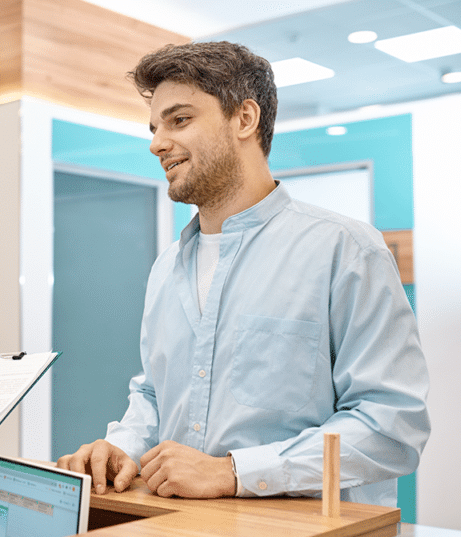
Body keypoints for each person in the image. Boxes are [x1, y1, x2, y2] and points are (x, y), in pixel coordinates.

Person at [57, 42, 430, 507]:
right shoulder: (167, 268)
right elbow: (153, 394)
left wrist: (234, 472)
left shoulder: (346, 250)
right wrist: (122, 447)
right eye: (154, 128)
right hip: (183, 535)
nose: (156, 144)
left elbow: (392, 425)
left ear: (245, 119)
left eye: (179, 120)